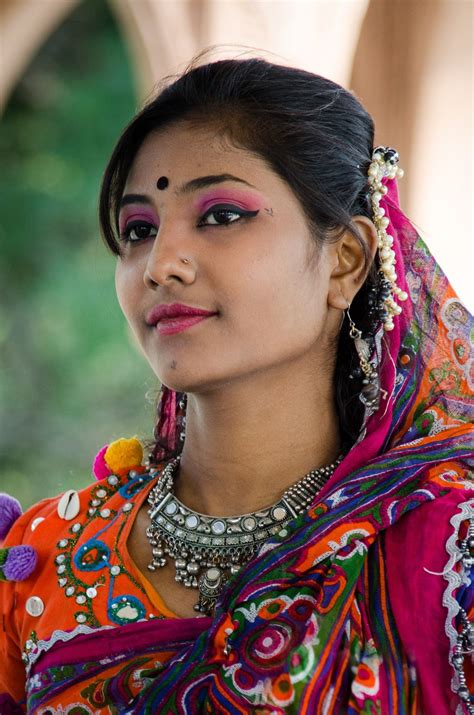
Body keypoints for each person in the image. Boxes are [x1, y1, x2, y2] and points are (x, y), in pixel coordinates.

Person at [0, 57, 472, 714]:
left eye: (221, 215)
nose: (161, 264)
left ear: (347, 259)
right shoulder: (42, 555)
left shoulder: (449, 549)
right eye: (139, 229)